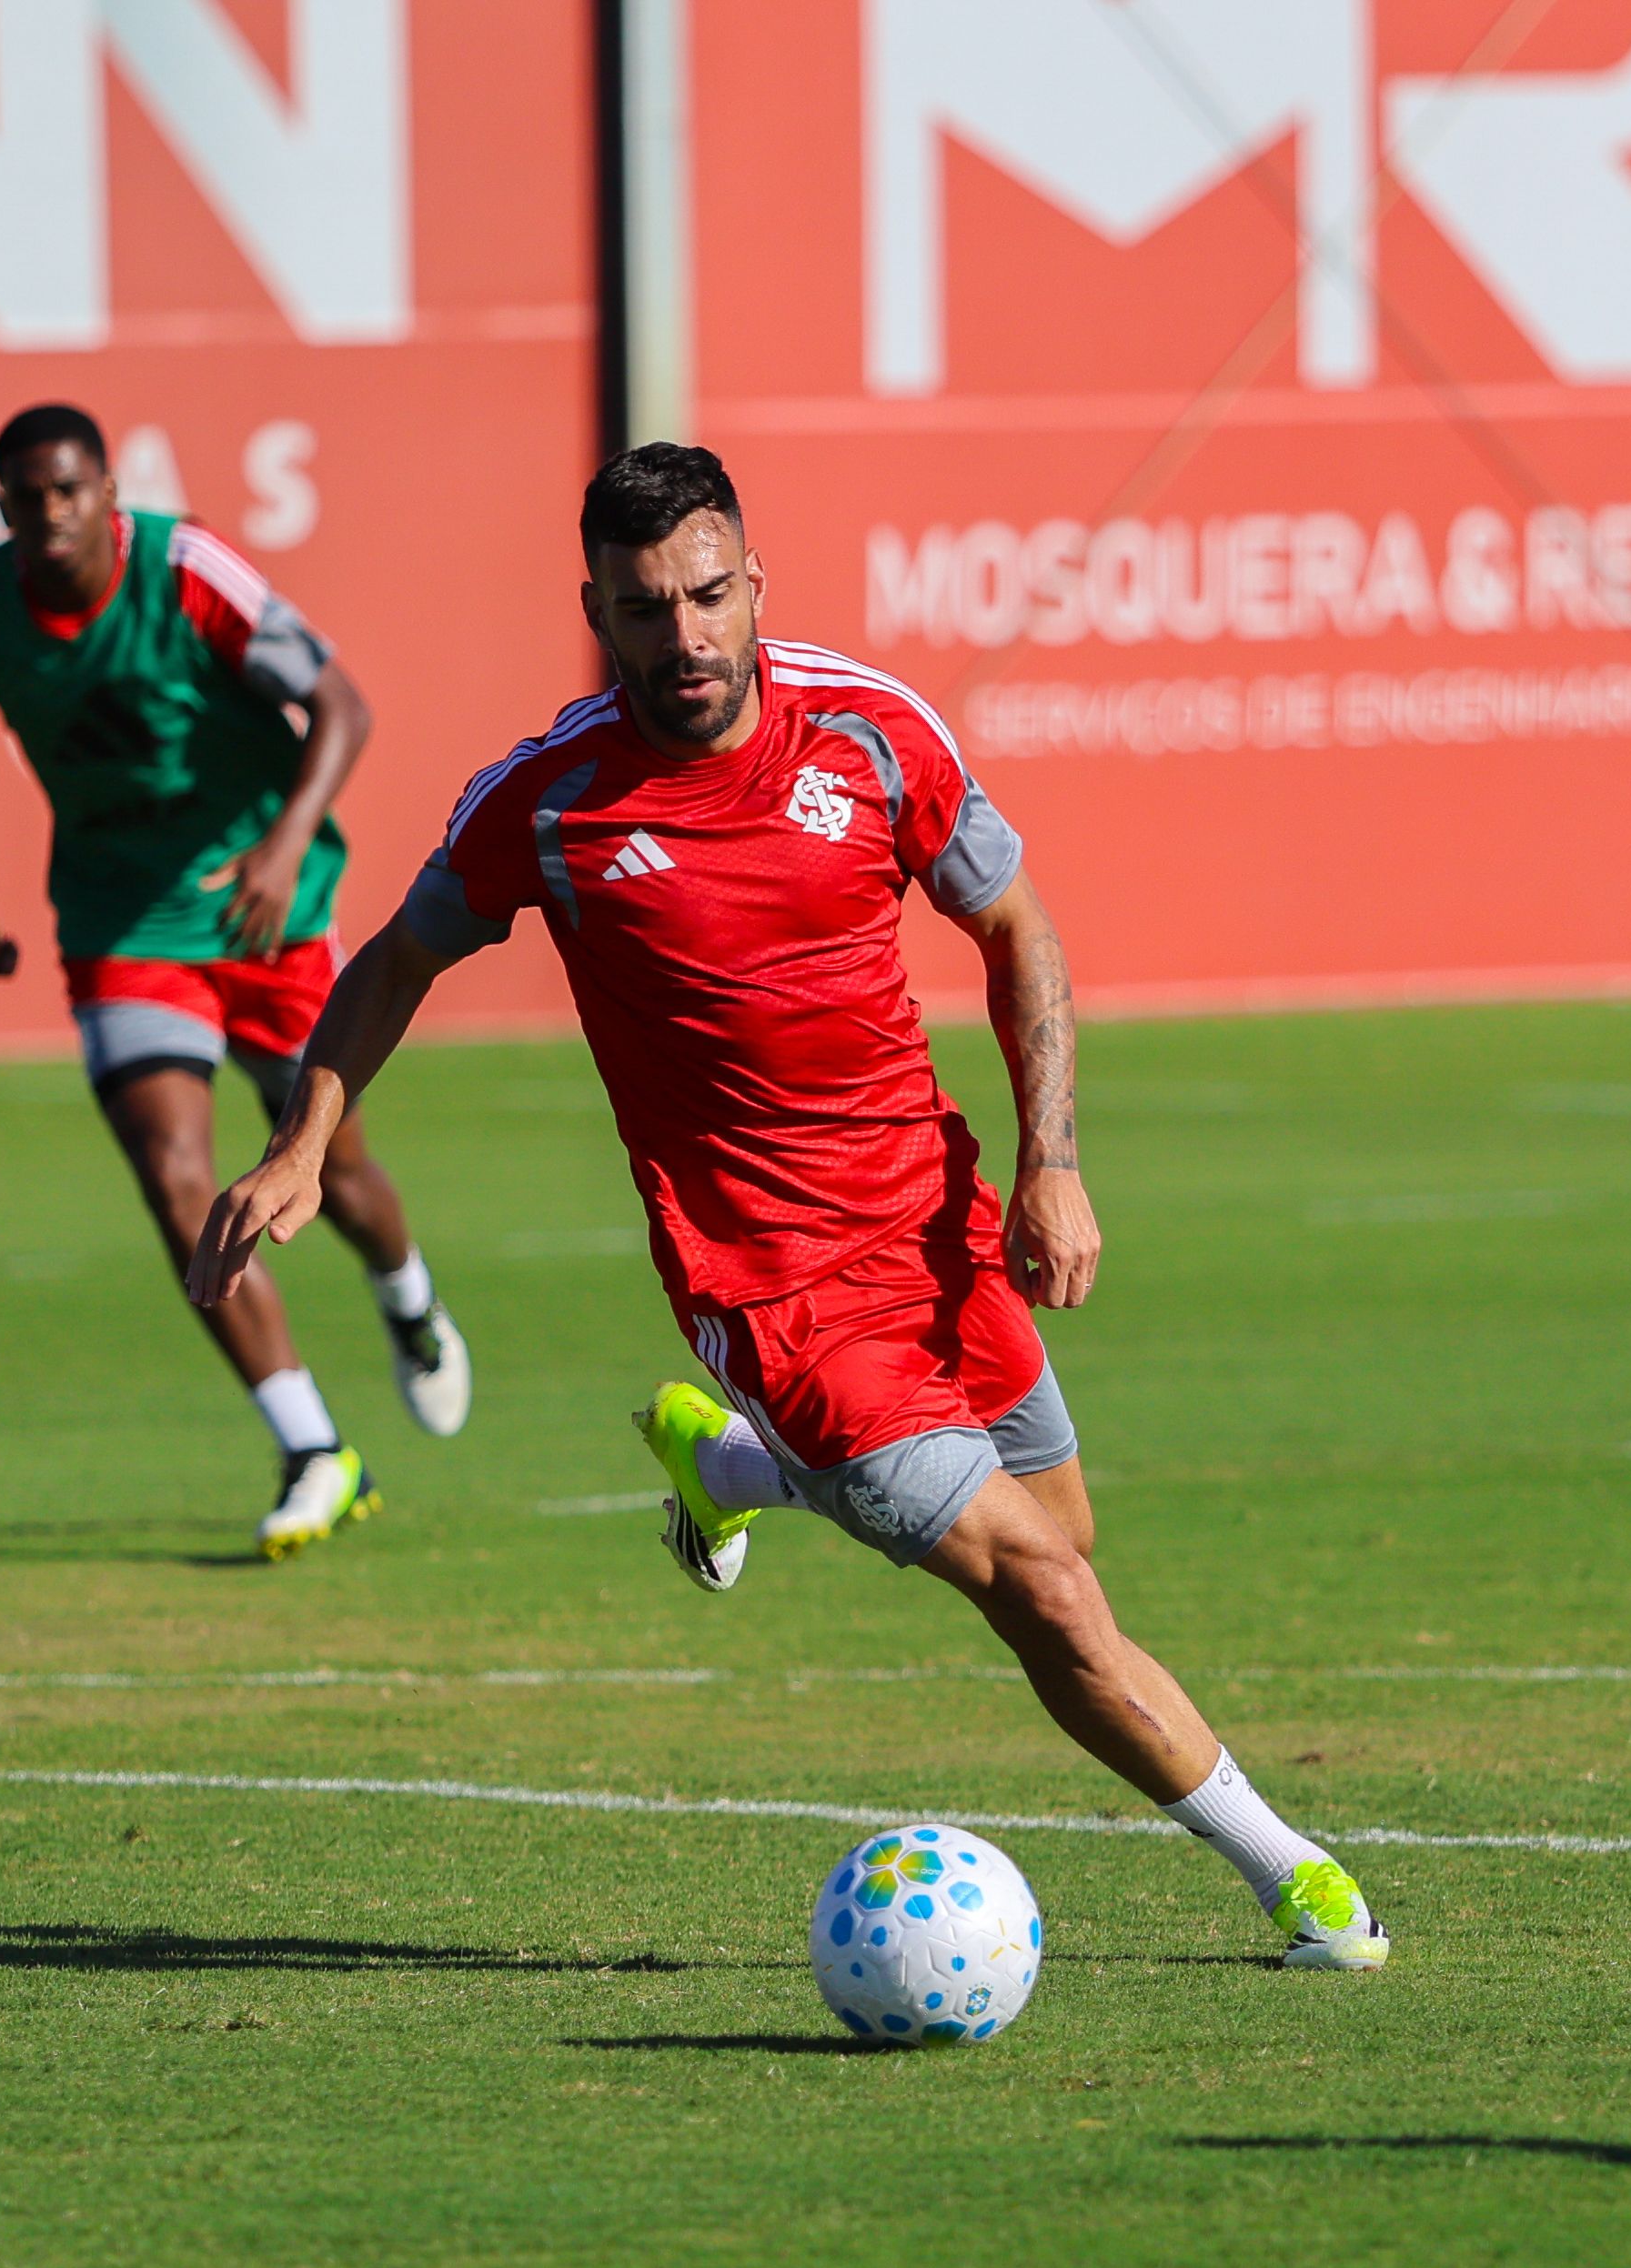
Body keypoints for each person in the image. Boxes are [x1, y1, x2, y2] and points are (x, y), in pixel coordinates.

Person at [189, 443, 1387, 1970]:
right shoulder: (550, 803)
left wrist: (1049, 1159)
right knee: (1046, 1588)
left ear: (753, 584)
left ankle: (735, 1473)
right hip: (768, 1287)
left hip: (934, 1224)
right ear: (594, 613)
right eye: (640, 611)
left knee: (1068, 1541)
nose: (680, 640)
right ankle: (1296, 1881)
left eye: (704, 596)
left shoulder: (873, 736)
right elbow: (394, 959)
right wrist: (303, 1142)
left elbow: (1011, 921)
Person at [0, 403, 470, 1560]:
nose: (50, 514)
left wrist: (280, 846)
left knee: (334, 1168)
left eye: (70, 491)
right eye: (26, 498)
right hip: (124, 920)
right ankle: (315, 1447)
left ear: (108, 494)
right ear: (3, 507)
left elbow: (342, 707)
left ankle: (406, 1294)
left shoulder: (187, 571)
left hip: (267, 902)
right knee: (173, 1177)